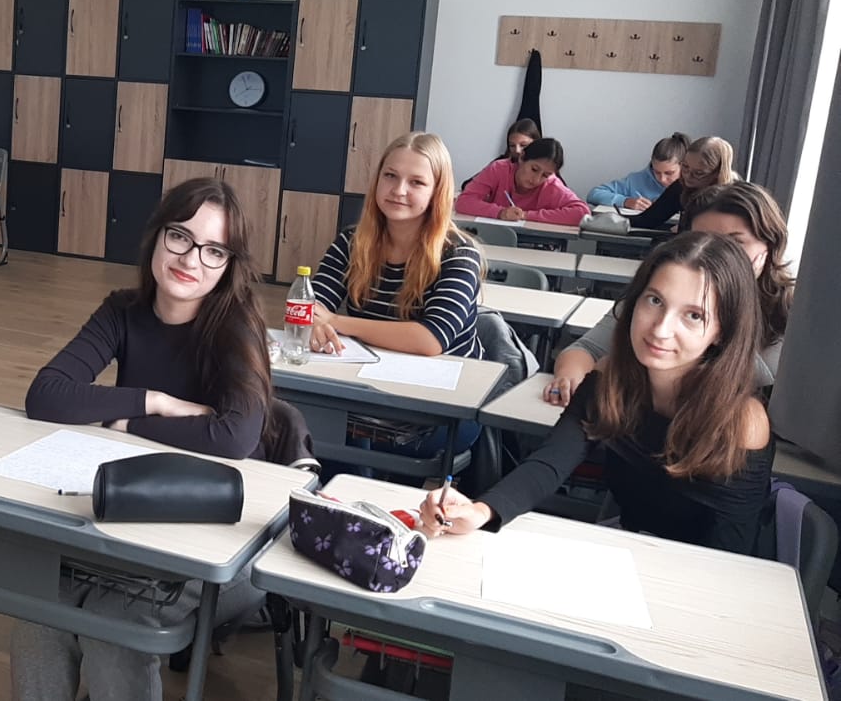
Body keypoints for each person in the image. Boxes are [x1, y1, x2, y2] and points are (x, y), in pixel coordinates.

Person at [15, 177, 310, 701]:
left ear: (228, 264)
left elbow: (232, 438)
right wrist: (153, 401)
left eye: (213, 250)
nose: (191, 259)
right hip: (135, 515)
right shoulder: (123, 312)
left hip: (228, 539)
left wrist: (128, 424)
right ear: (157, 235)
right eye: (180, 237)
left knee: (114, 624)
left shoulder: (235, 327)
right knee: (39, 611)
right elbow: (46, 395)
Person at [422, 232, 772, 556]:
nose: (661, 329)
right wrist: (480, 510)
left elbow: (731, 552)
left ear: (722, 332)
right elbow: (550, 462)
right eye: (654, 300)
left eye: (694, 316)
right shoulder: (611, 378)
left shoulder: (743, 422)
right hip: (625, 548)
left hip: (700, 574)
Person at [309, 132, 486, 457]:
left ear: (437, 192)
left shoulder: (459, 254)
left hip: (439, 409)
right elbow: (308, 307)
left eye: (416, 182)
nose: (398, 190)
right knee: (313, 430)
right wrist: (315, 323)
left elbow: (429, 340)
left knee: (347, 450)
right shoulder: (351, 242)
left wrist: (336, 322)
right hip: (366, 391)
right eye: (390, 176)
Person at [545, 180, 793, 404]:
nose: (715, 254)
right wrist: (570, 379)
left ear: (769, 247)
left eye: (734, 243)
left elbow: (763, 392)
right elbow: (586, 349)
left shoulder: (792, 317)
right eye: (702, 238)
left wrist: (739, 304)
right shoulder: (659, 294)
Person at [456, 137, 590, 226]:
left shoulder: (552, 185)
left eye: (545, 175)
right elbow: (464, 201)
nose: (536, 179)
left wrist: (526, 215)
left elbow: (582, 212)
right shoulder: (499, 169)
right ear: (522, 158)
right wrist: (500, 213)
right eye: (534, 169)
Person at [625, 135, 734, 230]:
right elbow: (647, 220)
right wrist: (619, 220)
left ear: (717, 173)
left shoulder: (733, 197)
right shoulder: (681, 187)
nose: (688, 176)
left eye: (699, 173)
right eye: (685, 167)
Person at [586, 132, 689, 211]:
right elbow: (594, 194)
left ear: (684, 166)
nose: (662, 179)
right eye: (656, 172)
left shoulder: (693, 184)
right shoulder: (636, 181)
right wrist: (625, 201)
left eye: (669, 173)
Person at [461, 118, 539, 190]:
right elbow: (468, 185)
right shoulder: (500, 164)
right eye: (512, 145)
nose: (517, 150)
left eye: (523, 145)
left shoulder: (543, 167)